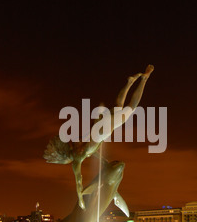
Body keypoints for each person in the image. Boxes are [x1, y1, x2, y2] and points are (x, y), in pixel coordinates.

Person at [44, 64, 154, 209]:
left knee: (131, 107)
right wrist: (105, 162)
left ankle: (145, 78)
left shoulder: (77, 158)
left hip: (102, 130)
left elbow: (78, 181)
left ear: (65, 157)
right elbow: (95, 153)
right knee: (118, 105)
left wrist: (81, 199)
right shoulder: (78, 145)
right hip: (98, 125)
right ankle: (129, 83)